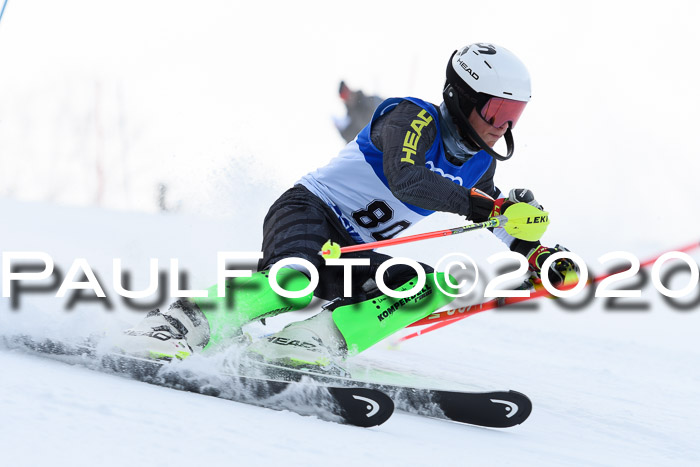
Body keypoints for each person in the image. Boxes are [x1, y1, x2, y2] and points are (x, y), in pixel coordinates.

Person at [117, 43, 578, 374]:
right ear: (461, 97)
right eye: (496, 112)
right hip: (310, 210)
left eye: (513, 116)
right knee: (297, 276)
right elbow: (408, 178)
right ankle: (173, 325)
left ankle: (304, 343)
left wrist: (538, 253)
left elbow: (496, 216)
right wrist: (480, 205)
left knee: (421, 286)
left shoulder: (478, 162)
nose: (502, 127)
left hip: (352, 249)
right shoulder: (411, 117)